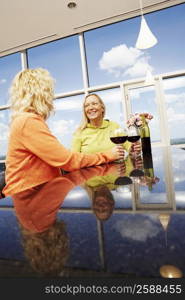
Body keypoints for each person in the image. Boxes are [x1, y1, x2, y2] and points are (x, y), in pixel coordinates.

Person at [2, 69, 125, 196]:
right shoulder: (28, 122)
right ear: (39, 93)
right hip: (27, 199)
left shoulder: (28, 120)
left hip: (41, 194)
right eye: (48, 91)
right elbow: (68, 161)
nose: (51, 96)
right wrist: (108, 155)